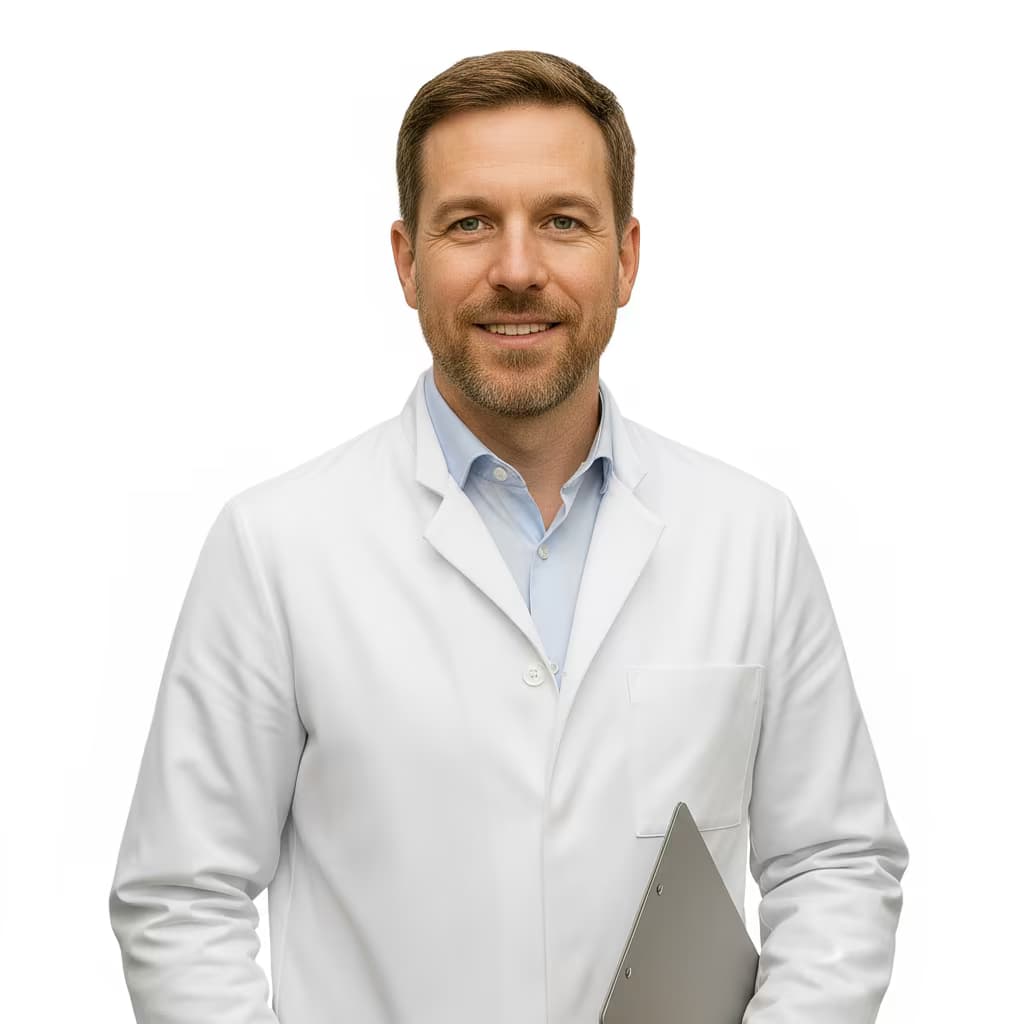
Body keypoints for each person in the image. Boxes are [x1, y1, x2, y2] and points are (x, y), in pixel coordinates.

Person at [109, 49, 908, 1024]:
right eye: (470, 223)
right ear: (407, 261)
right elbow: (181, 896)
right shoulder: (276, 547)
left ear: (626, 258)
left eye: (563, 222)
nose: (518, 268)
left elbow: (833, 861)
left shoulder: (749, 536)